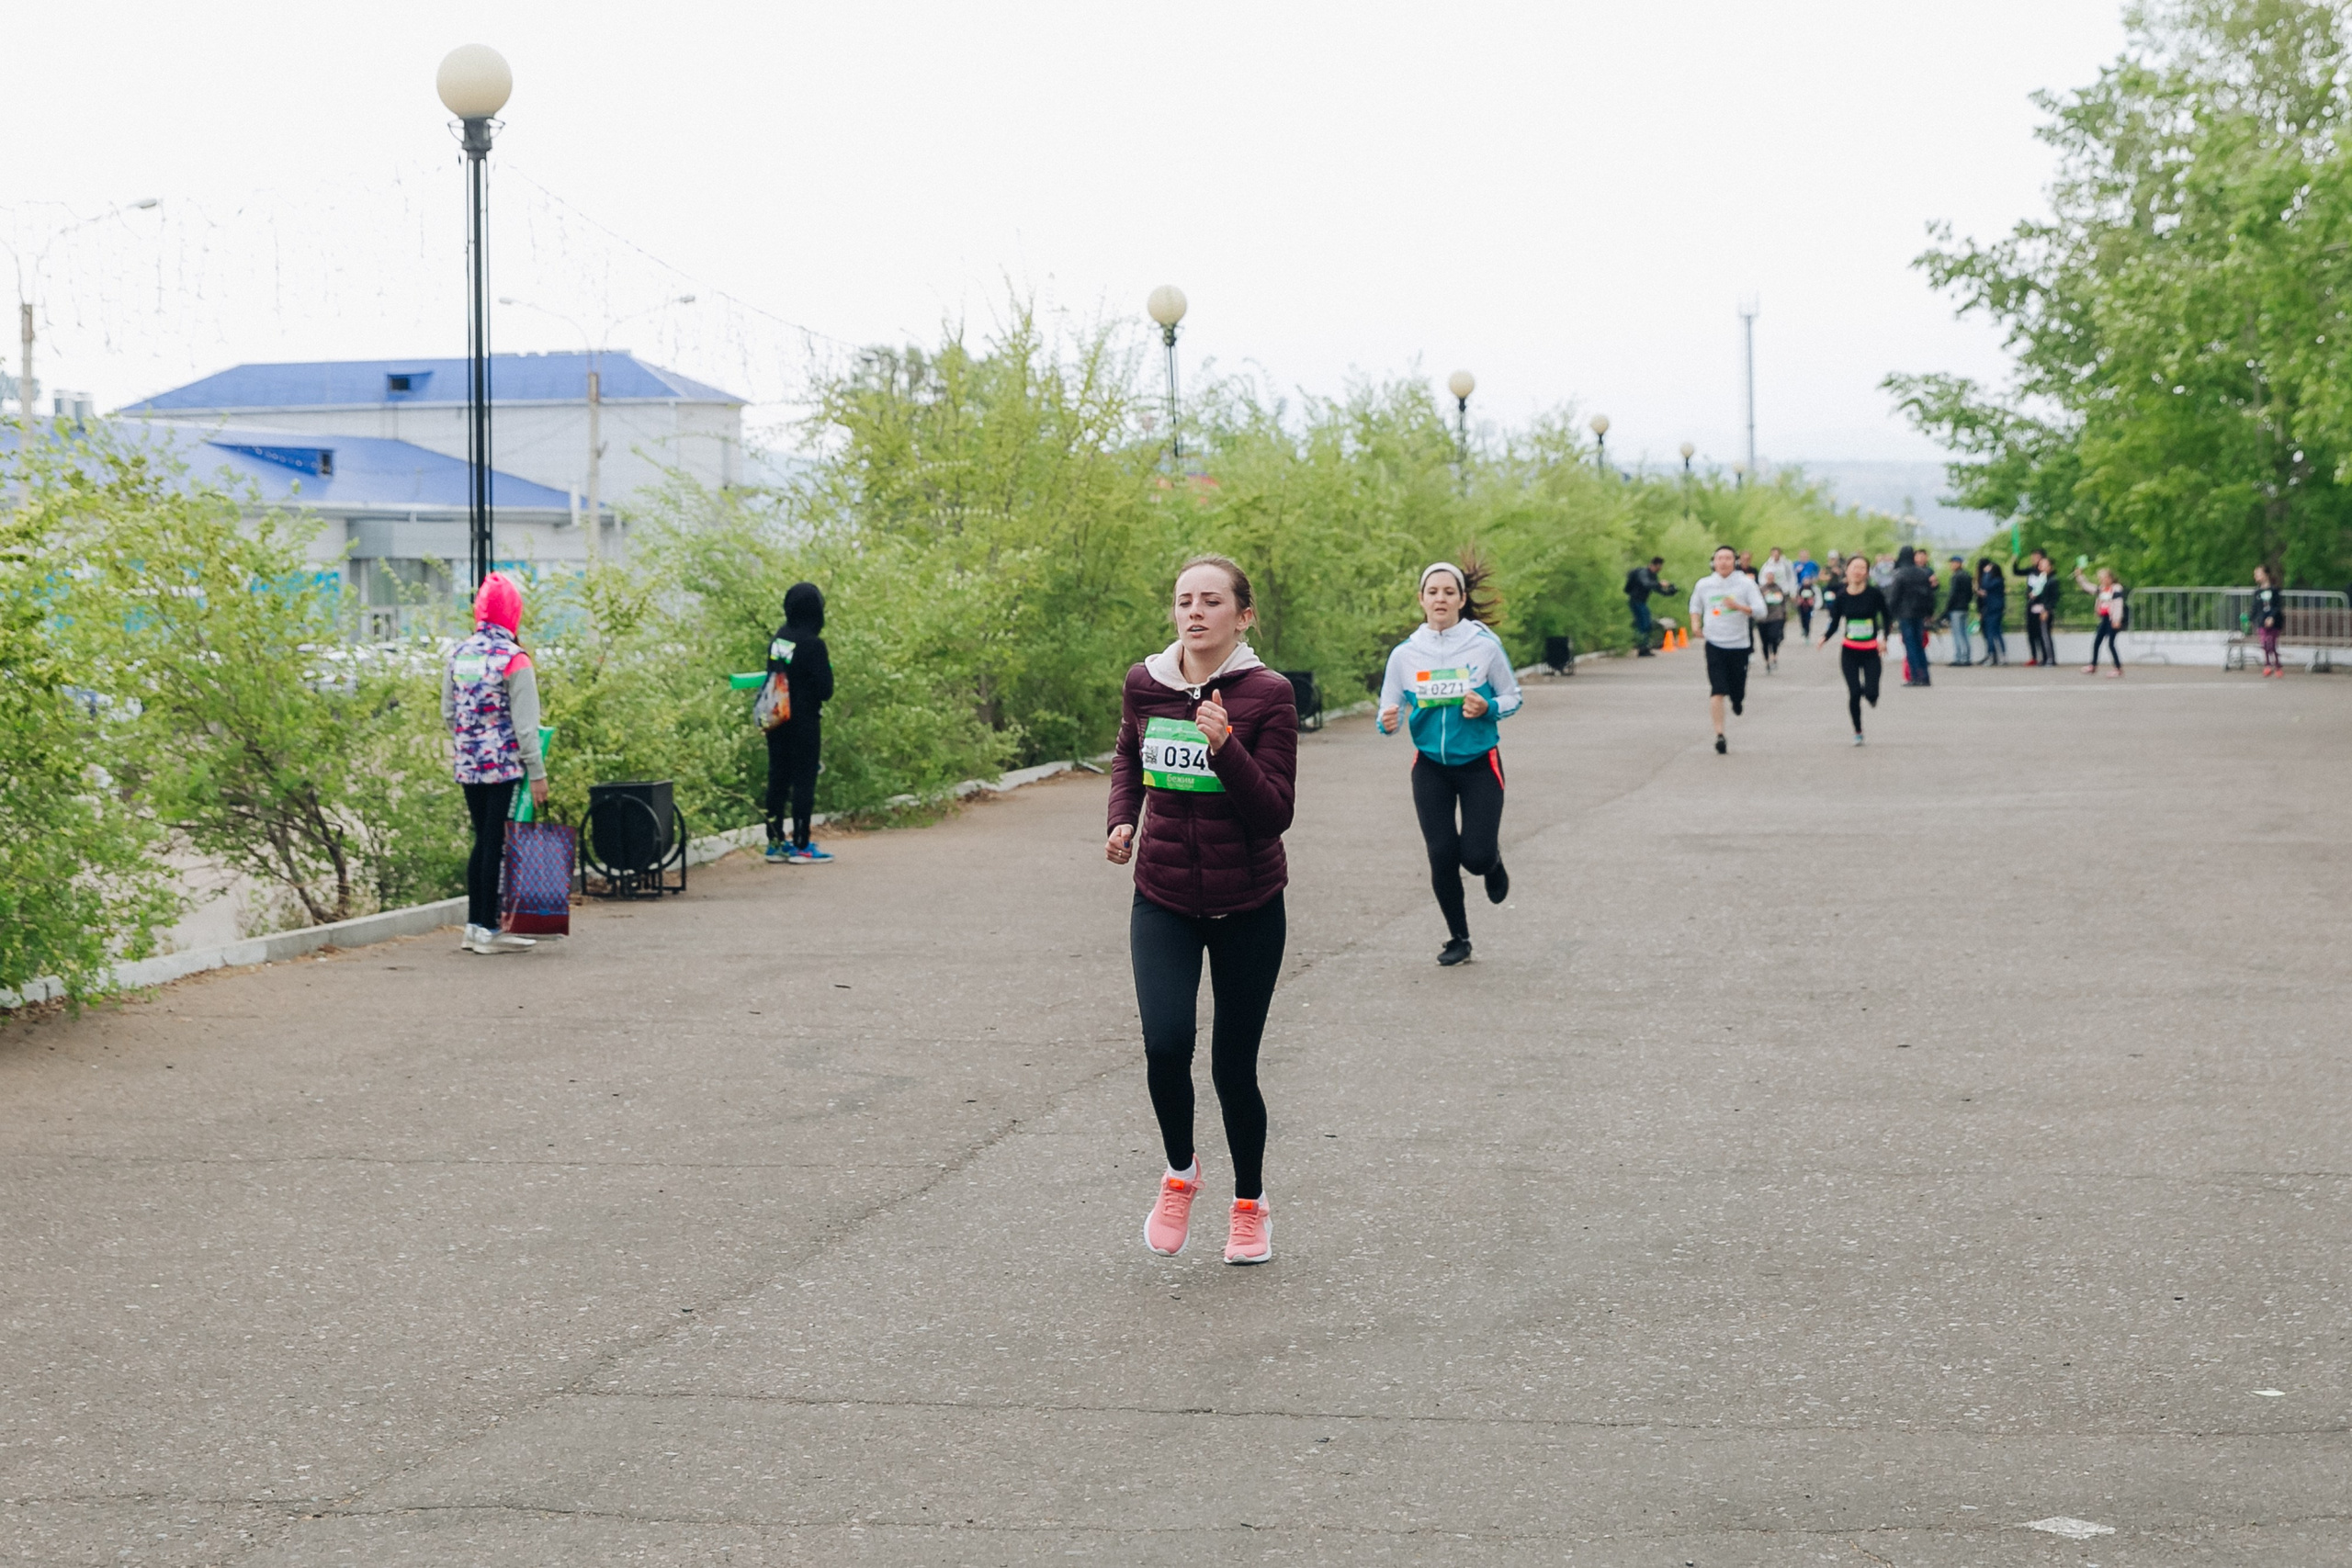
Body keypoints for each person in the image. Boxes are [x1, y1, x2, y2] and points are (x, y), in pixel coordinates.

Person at [1107, 555, 1297, 1266]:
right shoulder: (1145, 683)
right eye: (1184, 599)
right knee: (1164, 1044)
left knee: (1232, 1066)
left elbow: (1274, 810)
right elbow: (1130, 753)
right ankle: (1180, 1172)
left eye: (1211, 600)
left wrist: (1225, 749)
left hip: (1249, 902)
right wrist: (1122, 818)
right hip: (1162, 895)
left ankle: (1250, 1203)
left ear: (1242, 615)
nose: (1194, 612)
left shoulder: (1269, 694)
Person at [1377, 560, 1523, 967]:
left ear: (1461, 599)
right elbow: (1390, 705)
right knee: (1441, 853)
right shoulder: (1405, 654)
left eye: (1448, 592)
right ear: (1421, 599)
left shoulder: (1483, 646)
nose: (1440, 599)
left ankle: (1492, 864)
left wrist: (1489, 706)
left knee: (1474, 856)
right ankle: (1458, 937)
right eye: (1432, 592)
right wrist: (1388, 720)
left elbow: (1513, 696)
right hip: (1430, 766)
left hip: (1479, 763)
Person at [443, 572, 549, 955]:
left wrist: (471, 739)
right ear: (513, 613)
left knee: (481, 840)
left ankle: (475, 925)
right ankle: (488, 928)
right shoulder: (514, 659)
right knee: (495, 840)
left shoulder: (459, 654)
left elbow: (448, 712)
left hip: (468, 762)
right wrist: (537, 773)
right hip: (503, 764)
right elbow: (526, 725)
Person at [763, 581, 836, 863]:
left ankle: (776, 842)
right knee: (804, 780)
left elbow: (778, 672)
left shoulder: (780, 639)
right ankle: (803, 845)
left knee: (778, 778)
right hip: (804, 721)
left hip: (777, 718)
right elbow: (825, 690)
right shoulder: (814, 645)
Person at [1690, 545, 1768, 753]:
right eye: (1719, 558)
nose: (1723, 562)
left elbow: (1761, 611)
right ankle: (1719, 734)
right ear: (1713, 562)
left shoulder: (1745, 584)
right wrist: (1695, 625)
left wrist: (1739, 607)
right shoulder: (1705, 584)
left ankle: (1738, 699)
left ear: (1735, 561)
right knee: (1717, 690)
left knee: (1737, 689)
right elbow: (1695, 607)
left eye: (1727, 558)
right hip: (1714, 643)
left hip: (1739, 644)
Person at [1819, 552, 1891, 744]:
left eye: (1862, 568)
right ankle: (1858, 730)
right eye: (1854, 568)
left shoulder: (1874, 594)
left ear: (1867, 572)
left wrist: (1884, 638)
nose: (1858, 571)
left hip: (1871, 651)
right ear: (1847, 571)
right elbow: (1835, 623)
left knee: (1872, 692)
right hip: (1850, 652)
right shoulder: (1841, 597)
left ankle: (1872, 696)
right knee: (1854, 692)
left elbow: (1886, 616)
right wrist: (1824, 638)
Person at [1888, 547, 1937, 686]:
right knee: (1919, 645)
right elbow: (1929, 595)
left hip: (1905, 614)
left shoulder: (1900, 574)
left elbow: (1894, 597)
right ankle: (1925, 676)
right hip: (1920, 614)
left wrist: (1889, 616)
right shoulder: (1922, 573)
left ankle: (1915, 677)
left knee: (1910, 646)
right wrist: (1929, 612)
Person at [2076, 563, 2127, 676]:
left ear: (2110, 578)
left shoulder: (2116, 589)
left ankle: (2118, 668)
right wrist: (2080, 577)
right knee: (2097, 641)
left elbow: (2118, 605)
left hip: (2112, 619)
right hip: (2104, 618)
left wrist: (2116, 619)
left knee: (2111, 643)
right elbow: (2088, 587)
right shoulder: (2101, 589)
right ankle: (2093, 665)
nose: (2102, 580)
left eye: (2104, 578)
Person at [1624, 556, 1675, 656]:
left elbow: (1657, 589)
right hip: (1636, 601)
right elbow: (1646, 584)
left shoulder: (1652, 575)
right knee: (1643, 625)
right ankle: (1642, 648)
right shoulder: (1643, 573)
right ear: (1655, 565)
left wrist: (1669, 591)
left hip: (1641, 602)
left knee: (1646, 624)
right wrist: (1659, 584)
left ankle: (1644, 647)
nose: (1659, 570)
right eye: (1659, 568)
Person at [2019, 550, 2058, 666]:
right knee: (2040, 634)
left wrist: (2046, 609)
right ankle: (2044, 657)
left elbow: (2053, 597)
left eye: (2043, 564)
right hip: (2037, 608)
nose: (2040, 566)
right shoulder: (2042, 578)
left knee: (2045, 635)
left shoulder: (2052, 580)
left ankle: (2050, 658)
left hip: (2045, 609)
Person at [1942, 554, 1975, 667]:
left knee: (1957, 634)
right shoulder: (1967, 575)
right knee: (1965, 633)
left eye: (1953, 563)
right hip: (1965, 608)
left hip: (1956, 608)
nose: (1951, 565)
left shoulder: (1956, 576)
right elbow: (1971, 593)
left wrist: (1947, 609)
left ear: (1958, 564)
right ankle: (1967, 657)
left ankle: (1960, 657)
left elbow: (1953, 594)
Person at [2253, 564, 2287, 675]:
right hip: (2262, 622)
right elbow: (2255, 608)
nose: (2256, 576)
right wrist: (2249, 618)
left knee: (2271, 643)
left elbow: (2277, 606)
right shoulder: (2257, 592)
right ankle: (2267, 665)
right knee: (2264, 643)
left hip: (2274, 622)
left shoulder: (2274, 590)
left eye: (2258, 574)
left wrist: (2271, 617)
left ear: (2266, 575)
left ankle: (2277, 666)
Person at [1976, 558, 2008, 665]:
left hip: (1991, 608)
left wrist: (1985, 574)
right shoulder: (2000, 581)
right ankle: (2002, 656)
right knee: (1998, 632)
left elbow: (1985, 585)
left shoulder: (1995, 580)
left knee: (1991, 632)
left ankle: (1991, 655)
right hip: (1997, 608)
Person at [1757, 570, 1790, 672]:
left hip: (1776, 616)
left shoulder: (1778, 588)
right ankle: (1767, 661)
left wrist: (1784, 613)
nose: (1770, 579)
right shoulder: (1761, 589)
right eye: (1768, 577)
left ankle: (1774, 655)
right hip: (1763, 618)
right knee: (1764, 641)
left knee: (1774, 636)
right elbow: (1756, 602)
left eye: (1772, 577)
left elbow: (1783, 602)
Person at [1793, 572, 1818, 640]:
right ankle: (1803, 629)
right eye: (1805, 580)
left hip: (1809, 607)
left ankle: (1807, 632)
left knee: (1808, 620)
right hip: (1802, 607)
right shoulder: (1800, 588)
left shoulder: (1811, 588)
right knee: (1802, 619)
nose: (1806, 582)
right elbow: (1797, 597)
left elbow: (1814, 597)